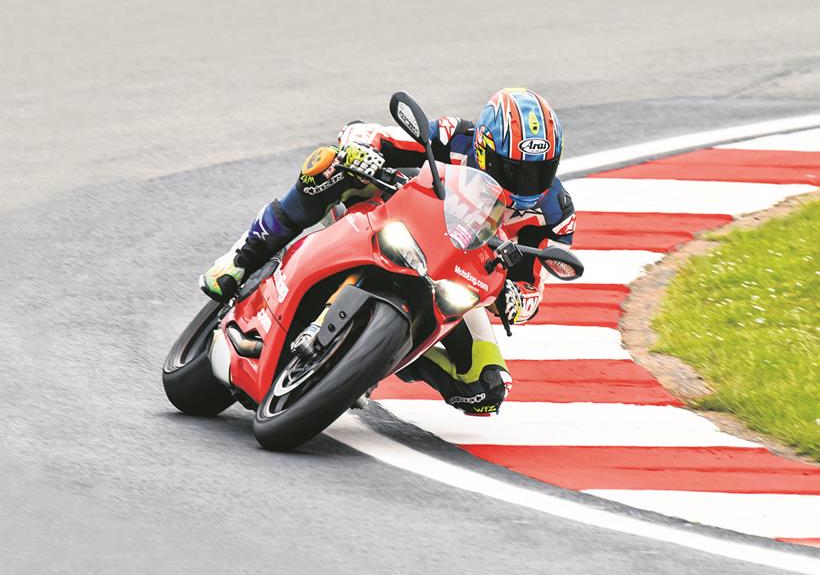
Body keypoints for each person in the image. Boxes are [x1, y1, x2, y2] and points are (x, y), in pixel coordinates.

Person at [201, 88, 576, 415]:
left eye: (538, 172)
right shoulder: (454, 137)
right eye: (513, 170)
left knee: (485, 389)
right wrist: (362, 151)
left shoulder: (555, 212)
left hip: (453, 278)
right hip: (393, 219)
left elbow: (532, 287)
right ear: (483, 147)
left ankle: (368, 361)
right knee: (329, 165)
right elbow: (370, 134)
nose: (526, 182)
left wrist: (514, 300)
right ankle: (242, 256)